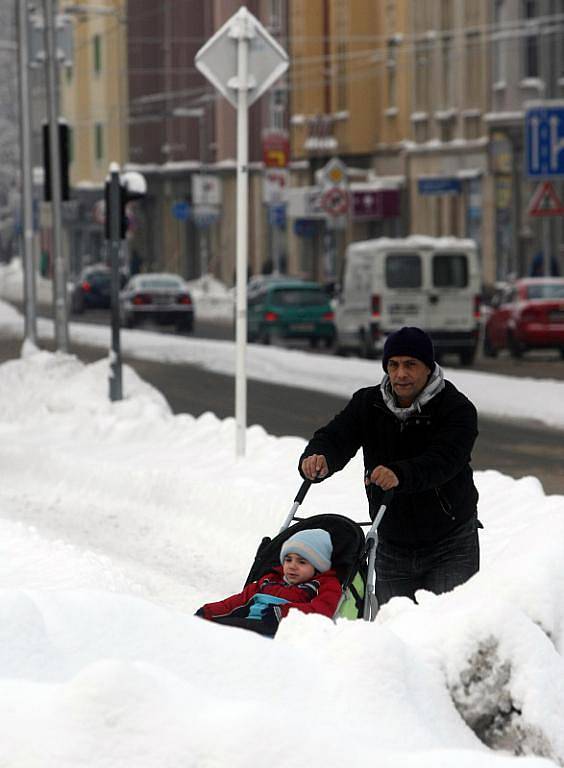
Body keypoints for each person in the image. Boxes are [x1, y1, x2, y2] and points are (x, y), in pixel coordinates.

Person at [300, 326, 480, 606]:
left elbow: (445, 460)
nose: (400, 374)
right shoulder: (368, 403)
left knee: (449, 631)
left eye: (410, 365)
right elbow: (336, 436)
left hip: (449, 541)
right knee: (397, 633)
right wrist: (320, 456)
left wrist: (400, 473)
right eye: (393, 365)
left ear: (428, 368)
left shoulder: (456, 408)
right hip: (391, 542)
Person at [195, 528, 342, 636]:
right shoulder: (269, 579)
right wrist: (209, 611)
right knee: (214, 631)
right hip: (250, 624)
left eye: (302, 562)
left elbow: (322, 610)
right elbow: (238, 601)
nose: (292, 566)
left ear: (317, 566)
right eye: (288, 559)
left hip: (281, 633)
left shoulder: (323, 585)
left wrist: (283, 613)